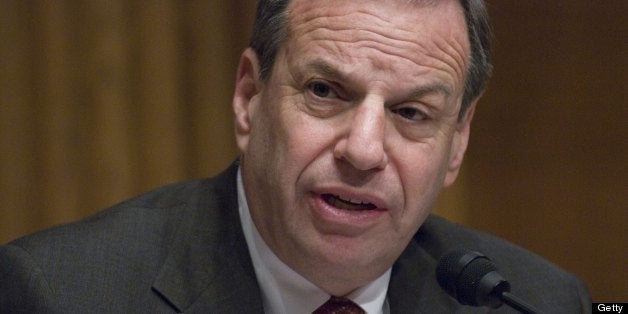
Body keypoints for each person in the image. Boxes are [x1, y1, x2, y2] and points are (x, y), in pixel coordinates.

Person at [0, 0, 591, 313]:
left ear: (457, 141)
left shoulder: (537, 304)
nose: (363, 151)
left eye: (411, 113)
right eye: (325, 92)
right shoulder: (59, 295)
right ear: (249, 97)